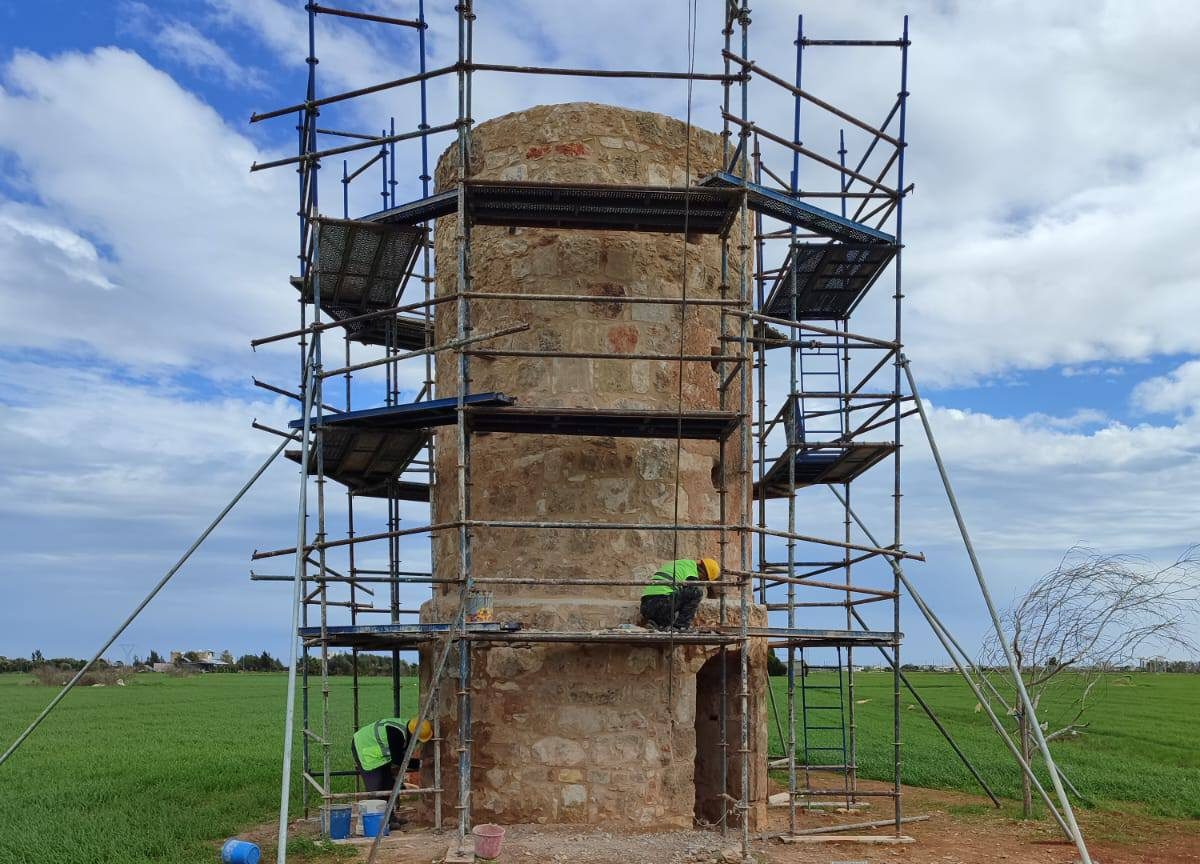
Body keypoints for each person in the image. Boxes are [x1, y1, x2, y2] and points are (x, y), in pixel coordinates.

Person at [351, 717, 432, 794]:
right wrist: (421, 763)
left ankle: (388, 807)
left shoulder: (412, 726)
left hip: (380, 755)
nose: (418, 742)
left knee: (388, 785)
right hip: (363, 747)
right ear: (413, 735)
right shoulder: (396, 733)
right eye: (418, 740)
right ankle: (374, 807)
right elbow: (398, 760)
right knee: (376, 788)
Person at [640, 558, 720, 631]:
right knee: (697, 593)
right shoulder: (692, 574)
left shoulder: (684, 564)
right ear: (705, 576)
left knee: (673, 600)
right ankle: (681, 626)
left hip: (645, 606)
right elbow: (689, 598)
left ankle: (655, 623)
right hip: (662, 603)